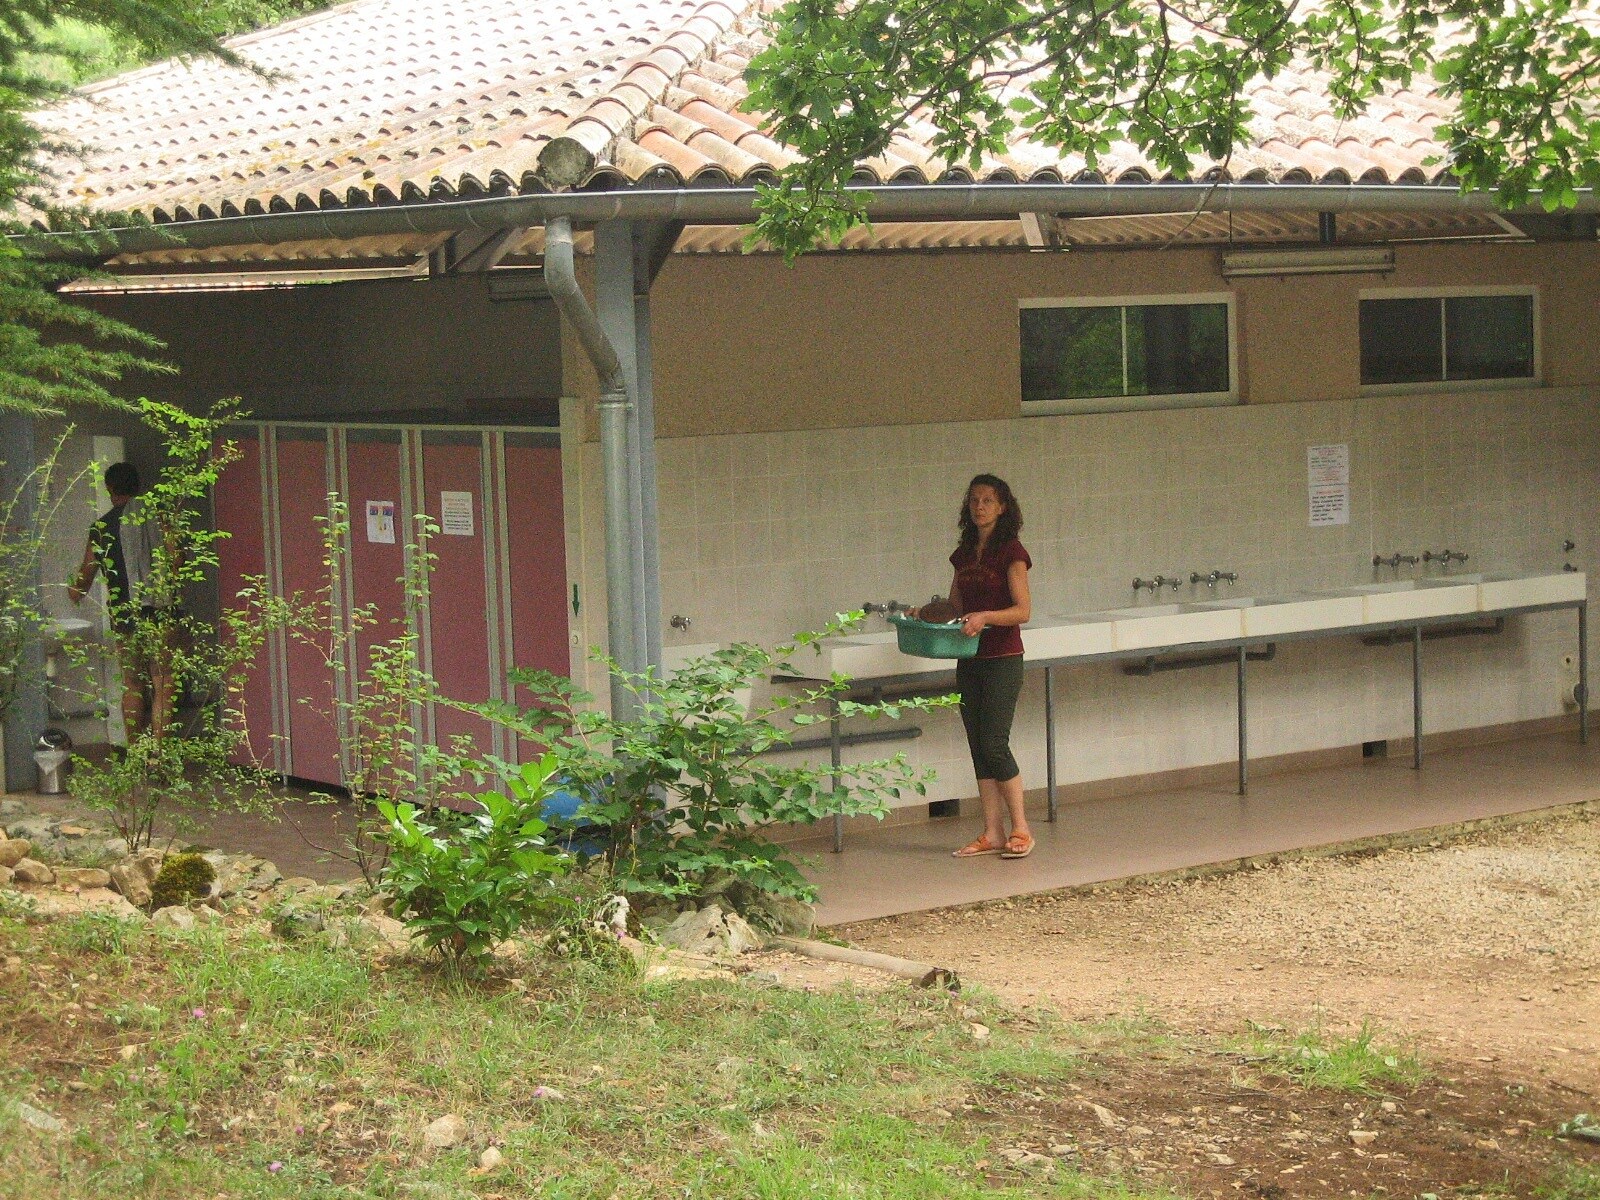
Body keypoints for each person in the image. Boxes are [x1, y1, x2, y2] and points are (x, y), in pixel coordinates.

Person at [920, 474, 1034, 859]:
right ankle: (992, 832)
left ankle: (1021, 828)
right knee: (977, 745)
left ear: (1003, 506)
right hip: (969, 659)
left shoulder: (1012, 552)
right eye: (974, 500)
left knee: (994, 743)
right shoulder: (965, 552)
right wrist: (924, 613)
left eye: (988, 500)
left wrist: (985, 616)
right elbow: (954, 606)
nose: (980, 506)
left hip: (1003, 658)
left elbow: (1023, 610)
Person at [68, 462, 176, 740]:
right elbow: (178, 560)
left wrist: (72, 590)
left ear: (110, 489)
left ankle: (136, 756)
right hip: (160, 611)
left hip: (124, 615)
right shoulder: (158, 519)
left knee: (132, 684)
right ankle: (159, 758)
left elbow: (83, 581)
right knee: (163, 682)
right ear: (138, 485)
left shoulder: (101, 528)